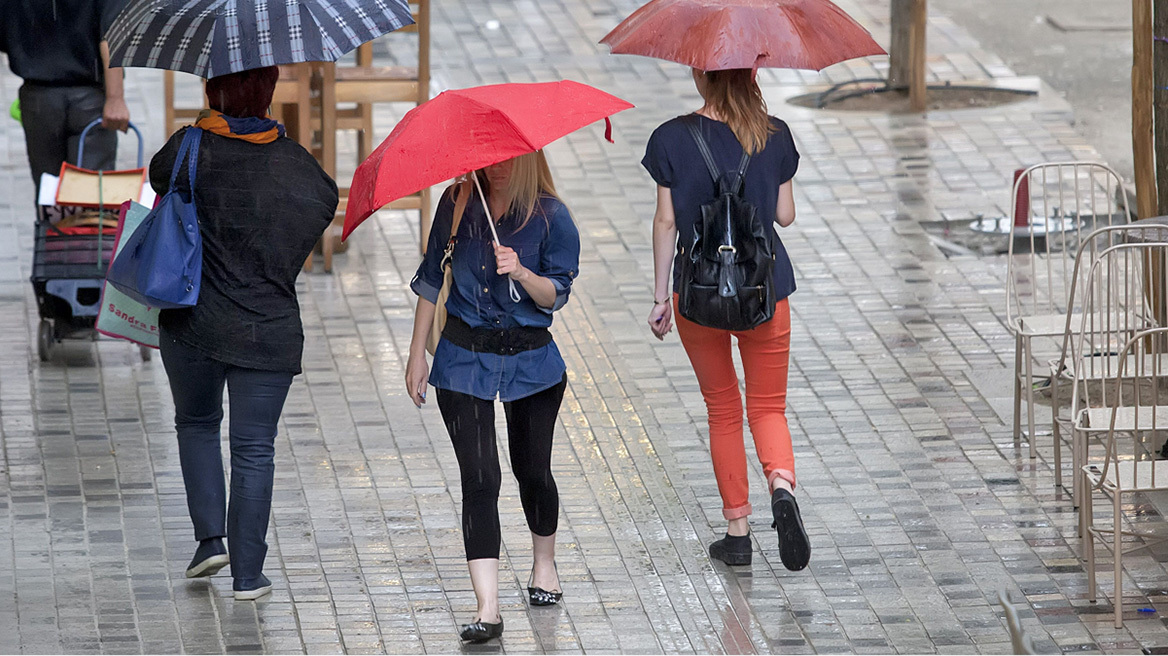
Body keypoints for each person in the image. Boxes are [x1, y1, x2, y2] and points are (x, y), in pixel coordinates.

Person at [150, 66, 338, 601]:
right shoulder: (295, 162)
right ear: (269, 93)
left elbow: (159, 177)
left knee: (196, 424)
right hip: (269, 329)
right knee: (255, 448)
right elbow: (324, 203)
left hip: (192, 323)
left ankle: (211, 540)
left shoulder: (190, 147)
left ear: (213, 90)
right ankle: (249, 577)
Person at [405, 152, 580, 643]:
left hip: (532, 363)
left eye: (509, 158)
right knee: (481, 477)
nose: (497, 166)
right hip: (463, 358)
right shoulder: (459, 202)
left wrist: (522, 272)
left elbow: (555, 294)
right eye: (490, 157)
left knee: (533, 471)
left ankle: (543, 564)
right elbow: (430, 279)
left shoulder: (552, 216)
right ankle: (488, 608)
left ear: (531, 159)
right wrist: (417, 354)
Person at [642, 68, 810, 571]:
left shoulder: (670, 137)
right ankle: (781, 486)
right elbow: (785, 216)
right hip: (766, 291)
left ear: (700, 74)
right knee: (767, 406)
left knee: (723, 409)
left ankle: (738, 532)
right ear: (752, 73)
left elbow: (666, 222)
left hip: (698, 295)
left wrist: (659, 298)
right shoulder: (774, 134)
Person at [1, 0, 131, 197]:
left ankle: (51, 226)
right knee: (91, 195)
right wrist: (115, 98)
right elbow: (111, 37)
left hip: (39, 97)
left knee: (49, 192)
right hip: (90, 97)